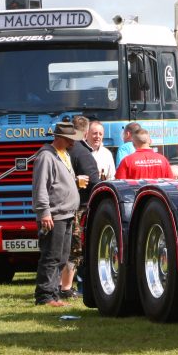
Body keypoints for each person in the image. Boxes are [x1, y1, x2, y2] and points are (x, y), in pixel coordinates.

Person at [32, 121, 86, 307]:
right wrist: (44, 212)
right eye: (70, 139)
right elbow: (41, 187)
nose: (74, 143)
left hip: (66, 214)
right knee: (51, 256)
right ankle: (45, 297)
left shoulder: (63, 154)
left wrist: (75, 180)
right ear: (60, 138)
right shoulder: (46, 156)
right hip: (54, 216)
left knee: (62, 257)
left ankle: (53, 295)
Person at [59, 115, 99, 299]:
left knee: (63, 248)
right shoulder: (83, 153)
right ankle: (66, 288)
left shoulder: (62, 150)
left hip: (63, 206)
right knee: (75, 250)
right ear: (85, 132)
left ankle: (60, 286)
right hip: (80, 207)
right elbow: (94, 182)